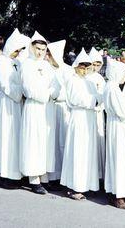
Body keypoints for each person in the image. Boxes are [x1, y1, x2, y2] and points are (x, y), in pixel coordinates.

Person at [19, 31, 58, 194]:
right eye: (37, 48)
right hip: (34, 108)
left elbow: (56, 86)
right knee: (33, 142)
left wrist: (51, 92)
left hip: (47, 109)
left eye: (43, 49)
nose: (40, 52)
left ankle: (43, 176)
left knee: (45, 142)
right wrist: (46, 92)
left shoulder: (48, 66)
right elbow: (29, 89)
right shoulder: (26, 65)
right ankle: (33, 179)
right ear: (31, 48)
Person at [60, 48, 102, 200]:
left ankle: (86, 184)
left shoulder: (90, 82)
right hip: (78, 118)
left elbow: (98, 97)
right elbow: (77, 99)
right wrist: (94, 99)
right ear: (76, 66)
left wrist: (96, 99)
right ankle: (73, 186)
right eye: (82, 67)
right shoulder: (72, 80)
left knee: (87, 152)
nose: (84, 70)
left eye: (87, 67)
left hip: (89, 119)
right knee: (77, 151)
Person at [0, 29, 26, 189]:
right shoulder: (1, 61)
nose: (17, 53)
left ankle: (16, 173)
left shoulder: (17, 62)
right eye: (16, 49)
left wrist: (23, 91)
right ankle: (5, 174)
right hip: (8, 102)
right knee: (7, 137)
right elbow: (5, 84)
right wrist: (20, 93)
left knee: (16, 137)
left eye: (19, 50)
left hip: (17, 103)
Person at [104, 58, 125, 210]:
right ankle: (119, 195)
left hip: (116, 126)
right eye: (123, 73)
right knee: (120, 159)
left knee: (116, 158)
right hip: (119, 126)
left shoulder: (111, 87)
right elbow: (123, 111)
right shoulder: (114, 89)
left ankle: (115, 191)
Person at [45, 40, 73, 185]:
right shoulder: (46, 68)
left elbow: (70, 91)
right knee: (51, 142)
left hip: (63, 108)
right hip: (49, 108)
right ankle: (51, 176)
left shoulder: (68, 70)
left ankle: (63, 175)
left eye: (49, 54)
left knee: (62, 142)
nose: (47, 56)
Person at [87, 47, 107, 180]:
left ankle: (99, 173)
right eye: (93, 64)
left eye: (98, 64)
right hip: (89, 112)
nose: (96, 67)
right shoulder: (86, 77)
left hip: (99, 113)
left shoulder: (100, 78)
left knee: (98, 141)